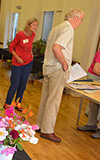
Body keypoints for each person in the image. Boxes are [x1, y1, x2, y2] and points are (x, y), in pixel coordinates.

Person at [36, 9, 84, 142]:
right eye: (81, 20)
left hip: (48, 67)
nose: (80, 23)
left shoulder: (57, 27)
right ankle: (47, 130)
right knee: (54, 101)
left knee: (45, 98)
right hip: (57, 69)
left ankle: (40, 125)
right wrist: (65, 64)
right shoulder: (68, 29)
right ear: (75, 18)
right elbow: (56, 47)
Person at [4, 17, 38, 111]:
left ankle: (17, 104)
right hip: (17, 63)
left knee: (23, 85)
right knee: (15, 84)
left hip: (28, 63)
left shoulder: (33, 35)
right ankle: (7, 103)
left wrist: (30, 53)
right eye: (34, 24)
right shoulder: (20, 34)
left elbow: (29, 46)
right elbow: (11, 47)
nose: (36, 27)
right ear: (28, 25)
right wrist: (17, 57)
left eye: (36, 25)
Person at [77, 49, 100, 138]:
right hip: (95, 77)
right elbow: (96, 69)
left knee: (96, 103)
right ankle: (92, 125)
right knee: (94, 102)